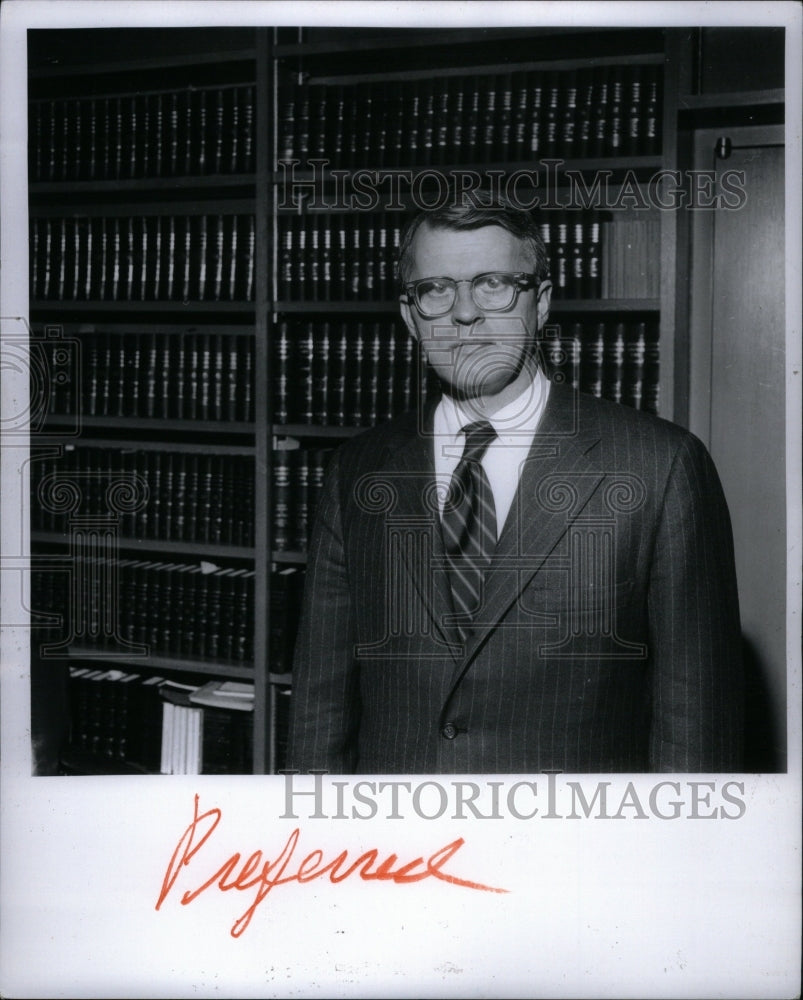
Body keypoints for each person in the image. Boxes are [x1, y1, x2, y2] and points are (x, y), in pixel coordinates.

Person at [286, 193, 744, 774]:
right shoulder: (358, 469)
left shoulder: (661, 465)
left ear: (542, 302)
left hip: (575, 848)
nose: (465, 312)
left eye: (493, 284)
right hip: (398, 851)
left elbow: (696, 724)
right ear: (409, 316)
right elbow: (318, 713)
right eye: (436, 289)